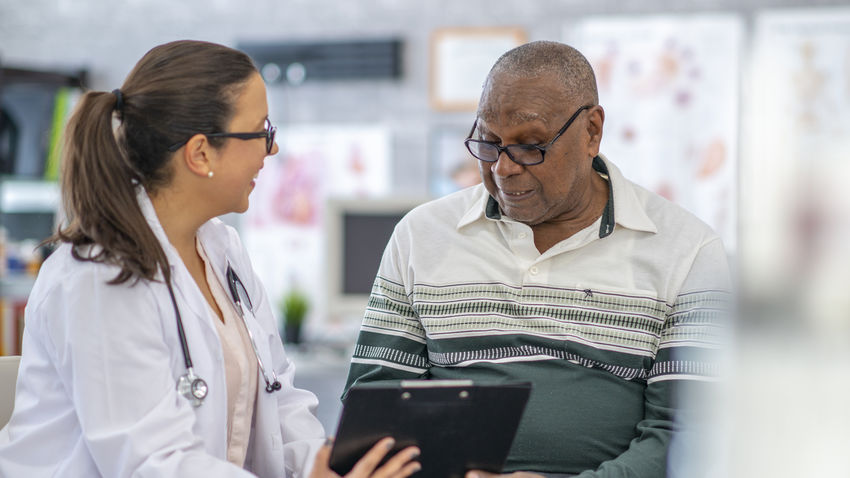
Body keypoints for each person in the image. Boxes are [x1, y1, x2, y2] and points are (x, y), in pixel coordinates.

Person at [0, 40, 420, 478]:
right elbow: (151, 463)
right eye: (261, 131)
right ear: (200, 153)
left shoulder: (224, 251)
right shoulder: (99, 276)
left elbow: (281, 399)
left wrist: (323, 463)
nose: (271, 150)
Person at [343, 41, 730, 477]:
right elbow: (375, 406)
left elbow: (687, 437)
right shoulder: (420, 236)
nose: (504, 168)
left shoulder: (688, 250)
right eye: (489, 143)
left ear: (591, 132)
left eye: (530, 146)